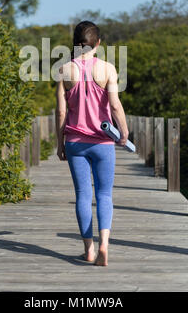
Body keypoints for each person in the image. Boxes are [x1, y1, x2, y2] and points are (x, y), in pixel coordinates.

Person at [55, 21, 129, 266]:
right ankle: (104, 246)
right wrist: (124, 132)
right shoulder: (108, 69)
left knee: (82, 195)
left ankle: (89, 249)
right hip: (103, 142)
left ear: (76, 44)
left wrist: (59, 142)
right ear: (98, 43)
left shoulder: (64, 70)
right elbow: (115, 106)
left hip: (75, 141)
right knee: (104, 194)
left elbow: (60, 112)